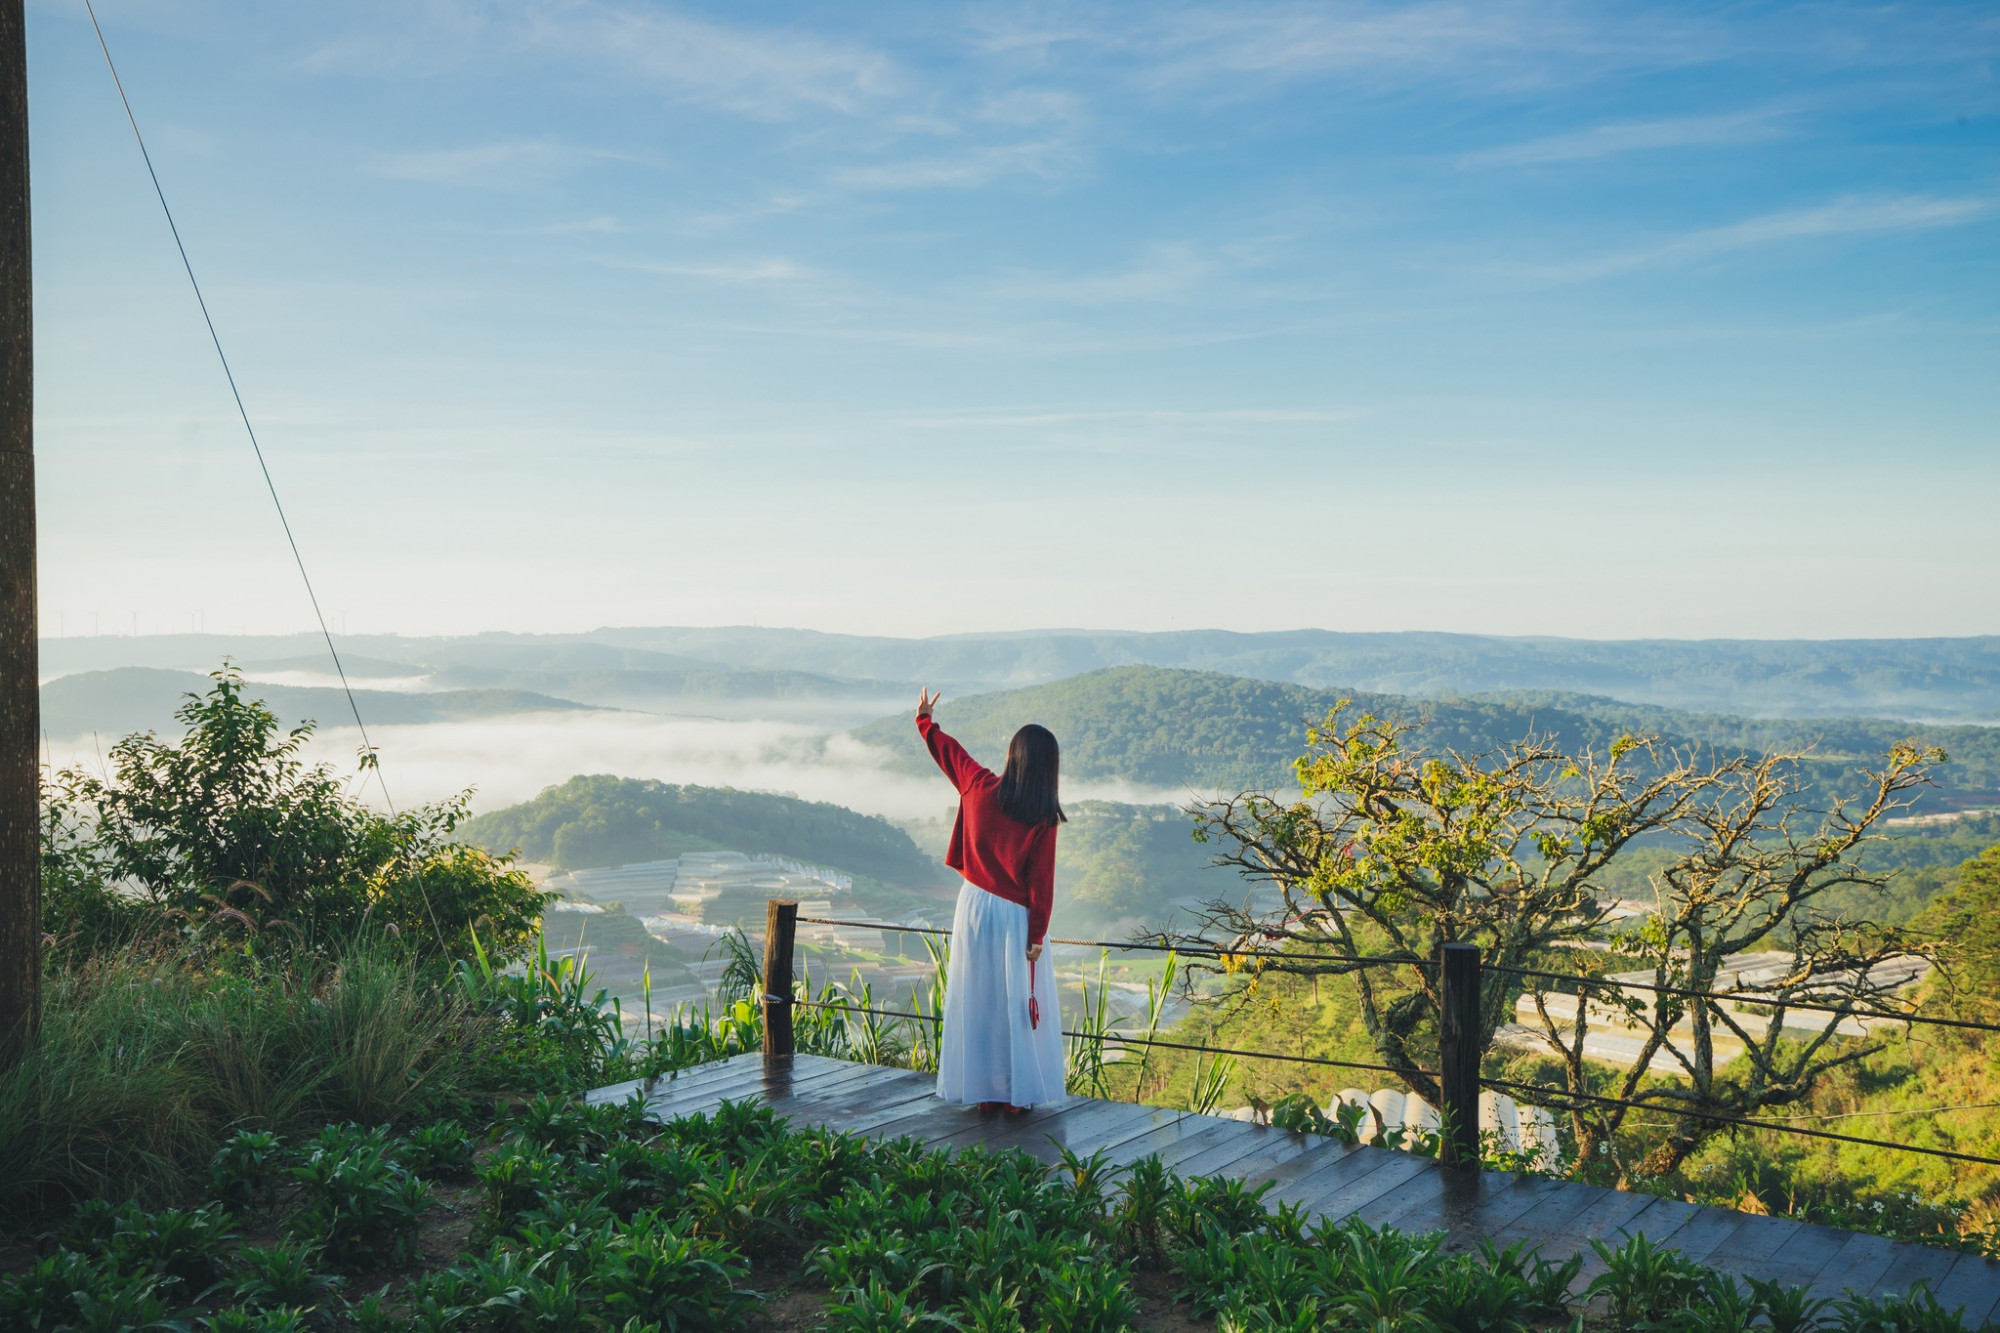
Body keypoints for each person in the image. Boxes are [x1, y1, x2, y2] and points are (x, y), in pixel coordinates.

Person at [915, 688, 1066, 1113]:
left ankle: (984, 1090)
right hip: (1016, 915)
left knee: (979, 997)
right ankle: (1018, 1095)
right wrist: (1037, 934)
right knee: (1017, 1002)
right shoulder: (1043, 816)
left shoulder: (977, 785)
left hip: (974, 907)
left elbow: (949, 751)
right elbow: (1042, 883)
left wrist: (925, 719)